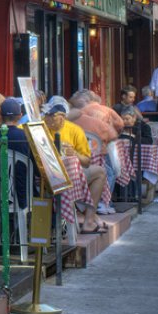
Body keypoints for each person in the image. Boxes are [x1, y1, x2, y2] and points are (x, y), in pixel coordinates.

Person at [45, 100, 109, 233]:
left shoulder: (74, 130)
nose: (48, 119)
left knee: (100, 172)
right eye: (46, 115)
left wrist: (74, 154)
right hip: (45, 178)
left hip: (70, 175)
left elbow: (86, 161)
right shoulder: (39, 126)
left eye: (52, 116)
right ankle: (92, 219)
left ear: (62, 117)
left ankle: (89, 221)